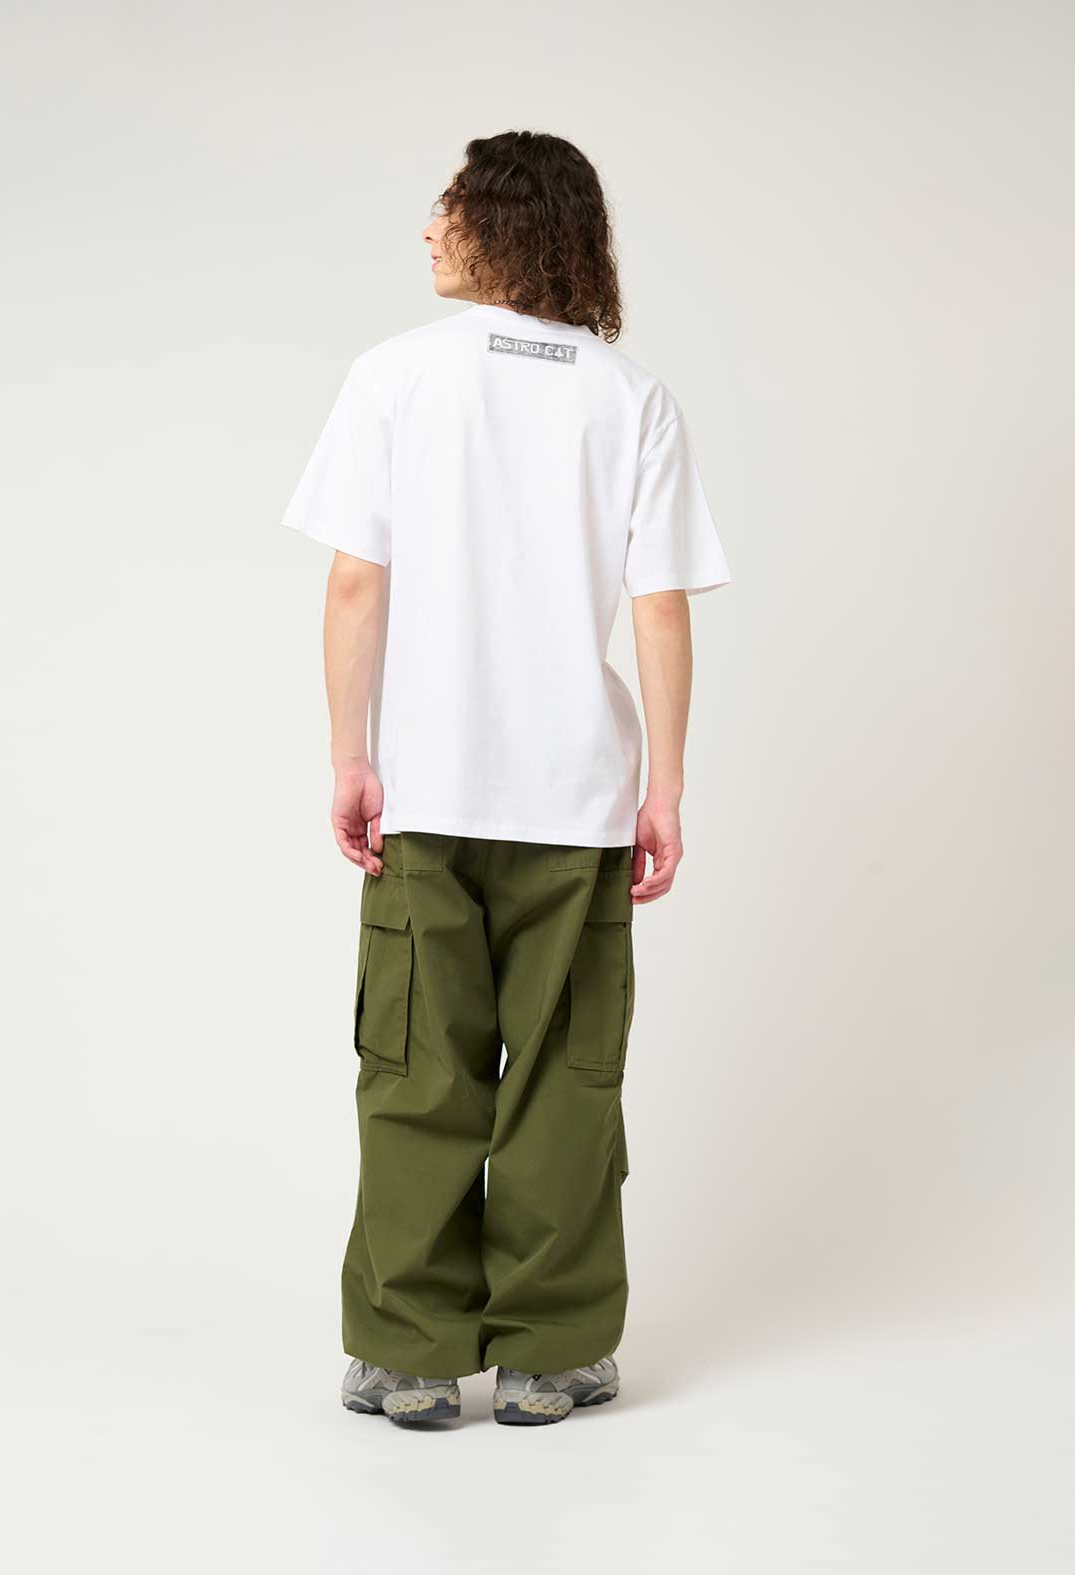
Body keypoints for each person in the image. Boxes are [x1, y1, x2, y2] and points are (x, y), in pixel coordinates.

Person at [282, 130, 730, 1426]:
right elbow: (659, 608)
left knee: (416, 1068)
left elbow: (354, 581)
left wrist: (351, 756)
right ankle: (551, 1352)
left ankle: (411, 1357)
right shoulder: (631, 398)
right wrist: (664, 787)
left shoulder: (393, 377)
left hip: (426, 790)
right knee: (565, 1076)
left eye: (449, 208)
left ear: (506, 224)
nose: (427, 229)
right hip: (578, 800)